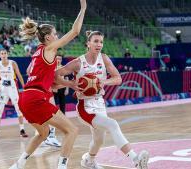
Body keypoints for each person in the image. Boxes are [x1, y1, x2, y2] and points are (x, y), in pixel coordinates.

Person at [9, 0, 86, 168]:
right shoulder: (49, 49)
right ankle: (62, 166)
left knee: (43, 133)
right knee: (72, 131)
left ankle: (18, 165)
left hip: (25, 98)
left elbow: (32, 72)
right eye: (56, 34)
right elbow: (75, 31)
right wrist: (83, 8)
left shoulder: (38, 52)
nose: (57, 36)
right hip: (36, 98)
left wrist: (68, 84)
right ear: (49, 37)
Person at [55, 31, 149, 169]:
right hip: (85, 107)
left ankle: (89, 160)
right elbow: (56, 75)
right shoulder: (77, 63)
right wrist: (71, 84)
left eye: (101, 42)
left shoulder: (104, 59)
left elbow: (118, 78)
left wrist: (103, 81)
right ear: (88, 43)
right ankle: (136, 160)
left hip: (100, 104)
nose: (99, 44)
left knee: (99, 140)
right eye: (96, 41)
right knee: (113, 125)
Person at [0, 48, 28, 139]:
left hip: (12, 87)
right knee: (0, 109)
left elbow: (19, 74)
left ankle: (22, 130)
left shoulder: (13, 63)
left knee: (18, 108)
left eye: (5, 53)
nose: (3, 55)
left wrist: (24, 86)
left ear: (7, 54)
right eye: (2, 53)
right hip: (3, 88)